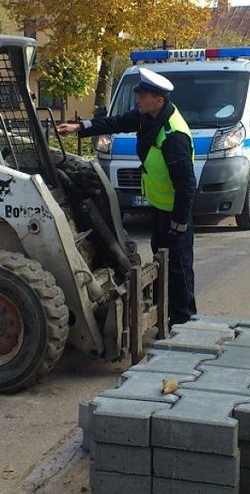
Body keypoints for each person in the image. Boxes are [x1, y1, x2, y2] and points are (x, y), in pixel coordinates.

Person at [57, 68, 197, 325]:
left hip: (175, 212)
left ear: (159, 99)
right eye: (138, 95)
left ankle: (184, 320)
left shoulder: (173, 134)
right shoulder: (148, 117)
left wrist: (179, 224)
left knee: (178, 266)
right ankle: (171, 317)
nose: (138, 100)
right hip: (160, 206)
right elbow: (117, 122)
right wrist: (80, 127)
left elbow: (187, 185)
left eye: (143, 96)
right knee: (162, 260)